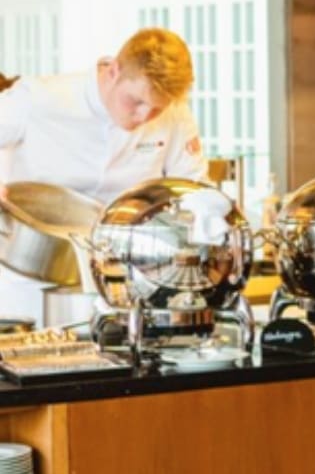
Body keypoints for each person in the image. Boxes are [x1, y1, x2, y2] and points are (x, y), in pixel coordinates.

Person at [0, 28, 205, 318]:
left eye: (157, 109)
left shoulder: (176, 115)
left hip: (124, 282)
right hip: (29, 280)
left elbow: (194, 191)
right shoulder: (39, 98)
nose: (144, 116)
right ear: (114, 71)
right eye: (136, 101)